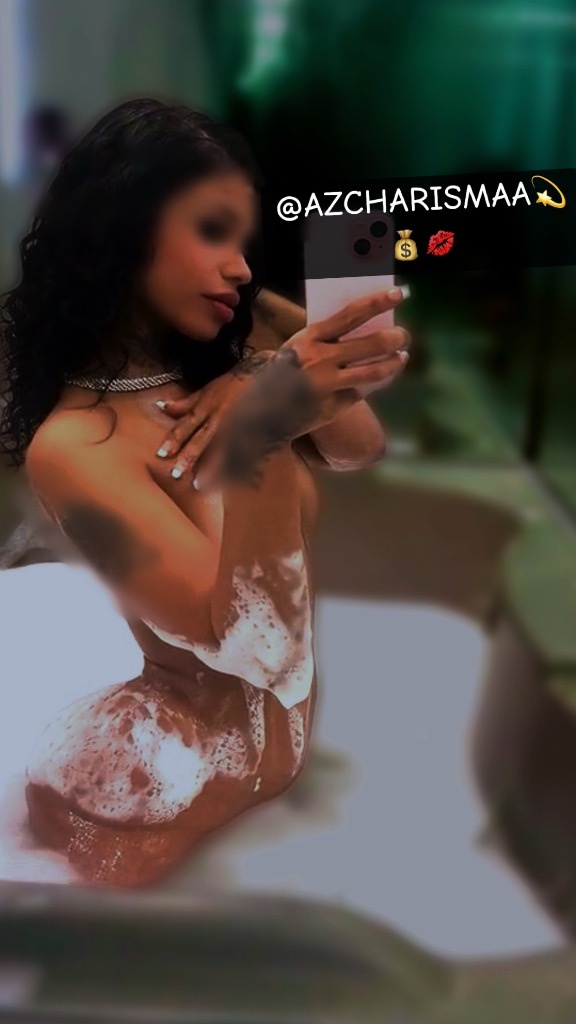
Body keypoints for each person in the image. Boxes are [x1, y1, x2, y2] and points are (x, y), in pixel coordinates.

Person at [0, 98, 410, 886]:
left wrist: (260, 375)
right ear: (124, 227)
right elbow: (258, 651)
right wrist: (261, 430)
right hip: (154, 786)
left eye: (245, 242)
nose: (242, 268)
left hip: (253, 774)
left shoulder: (238, 337)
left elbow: (359, 446)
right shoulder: (74, 447)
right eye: (213, 232)